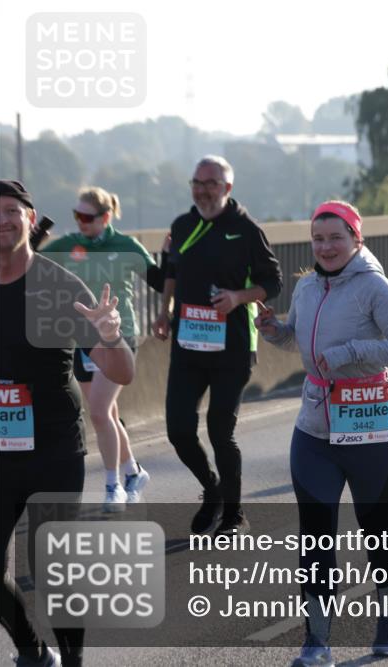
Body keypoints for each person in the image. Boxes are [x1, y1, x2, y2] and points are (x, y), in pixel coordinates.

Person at [257, 200, 388, 665]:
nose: (326, 247)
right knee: (315, 538)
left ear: (357, 240)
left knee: (378, 533)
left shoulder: (375, 288)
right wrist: (274, 330)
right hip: (314, 429)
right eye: (318, 238)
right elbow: (299, 340)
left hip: (370, 428)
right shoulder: (308, 287)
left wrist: (352, 350)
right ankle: (317, 641)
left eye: (336, 237)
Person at [0, 179, 135, 667]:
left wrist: (111, 338)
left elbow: (123, 372)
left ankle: (72, 661)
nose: (2, 220)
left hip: (53, 450)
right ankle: (33, 651)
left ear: (31, 220)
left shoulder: (57, 285)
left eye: (12, 211)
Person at [151, 156, 282, 535]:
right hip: (188, 346)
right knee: (178, 429)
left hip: (232, 348)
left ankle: (234, 514)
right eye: (197, 182)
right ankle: (213, 489)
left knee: (219, 430)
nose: (202, 189)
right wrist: (164, 311)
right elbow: (172, 272)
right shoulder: (183, 224)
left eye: (211, 183)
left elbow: (272, 283)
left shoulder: (245, 229)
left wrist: (238, 297)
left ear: (227, 188)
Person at [40, 187, 164, 512]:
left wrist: (177, 269)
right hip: (82, 339)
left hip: (118, 339)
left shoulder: (125, 245)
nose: (80, 222)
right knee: (105, 414)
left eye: (87, 216)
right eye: (76, 215)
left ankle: (113, 487)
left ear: (106, 217)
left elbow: (162, 281)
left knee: (98, 412)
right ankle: (134, 473)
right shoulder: (68, 245)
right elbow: (27, 261)